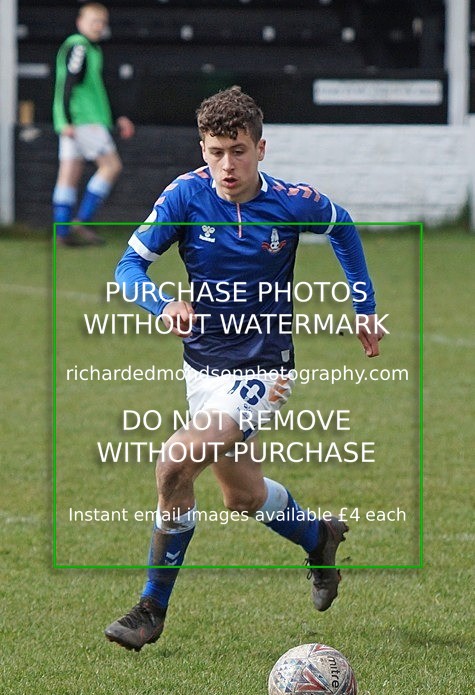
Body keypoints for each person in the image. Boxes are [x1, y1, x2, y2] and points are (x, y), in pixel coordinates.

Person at [105, 86, 383, 652]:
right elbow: (129, 265)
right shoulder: (185, 196)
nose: (226, 166)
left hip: (263, 370)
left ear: (261, 147)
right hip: (201, 370)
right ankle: (319, 536)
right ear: (202, 149)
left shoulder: (289, 201)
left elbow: (344, 227)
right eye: (214, 152)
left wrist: (364, 306)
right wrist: (163, 304)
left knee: (173, 467)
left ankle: (150, 609)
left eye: (238, 151)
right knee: (244, 498)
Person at [52, 2, 134, 246]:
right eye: (94, 21)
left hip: (72, 122)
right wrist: (67, 119)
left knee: (68, 174)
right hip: (84, 120)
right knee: (111, 166)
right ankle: (83, 221)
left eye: (102, 21)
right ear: (80, 22)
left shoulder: (91, 49)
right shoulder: (79, 46)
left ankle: (63, 230)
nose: (99, 26)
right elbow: (68, 83)